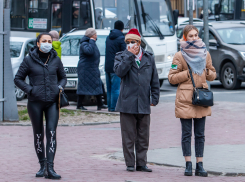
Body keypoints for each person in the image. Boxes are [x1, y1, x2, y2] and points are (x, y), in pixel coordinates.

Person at [14, 33, 67, 179]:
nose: (47, 43)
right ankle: (42, 165)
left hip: (52, 102)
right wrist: (30, 90)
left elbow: (63, 77)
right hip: (35, 103)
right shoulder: (28, 60)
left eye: (49, 41)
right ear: (38, 43)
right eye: (44, 41)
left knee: (51, 133)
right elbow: (18, 79)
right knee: (38, 135)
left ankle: (50, 168)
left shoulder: (55, 59)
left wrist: (59, 87)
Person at [168, 25, 216, 177]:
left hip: (201, 98)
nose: (194, 38)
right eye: (191, 36)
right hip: (185, 100)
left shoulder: (205, 53)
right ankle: (188, 164)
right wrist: (186, 74)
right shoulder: (179, 55)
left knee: (200, 134)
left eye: (196, 35)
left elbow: (213, 74)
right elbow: (171, 78)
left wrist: (206, 72)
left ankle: (199, 165)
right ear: (185, 37)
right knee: (187, 134)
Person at [114, 28, 160, 172]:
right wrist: (128, 56)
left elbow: (155, 79)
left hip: (144, 102)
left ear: (139, 43)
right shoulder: (121, 56)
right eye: (127, 42)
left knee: (143, 135)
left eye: (133, 42)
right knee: (128, 135)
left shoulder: (148, 57)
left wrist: (155, 97)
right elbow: (119, 72)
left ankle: (141, 163)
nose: (130, 44)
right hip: (127, 102)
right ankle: (129, 163)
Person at [77, 28, 107, 110]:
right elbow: (89, 51)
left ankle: (100, 104)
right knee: (83, 86)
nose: (96, 36)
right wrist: (92, 41)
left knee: (98, 84)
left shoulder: (90, 42)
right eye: (95, 34)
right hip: (86, 69)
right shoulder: (85, 43)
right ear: (92, 35)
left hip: (92, 68)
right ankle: (79, 105)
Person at [105, 20, 126, 112]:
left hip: (107, 66)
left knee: (109, 88)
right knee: (116, 88)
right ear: (122, 28)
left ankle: (110, 107)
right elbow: (124, 52)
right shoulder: (121, 38)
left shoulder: (108, 37)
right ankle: (114, 108)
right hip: (116, 66)